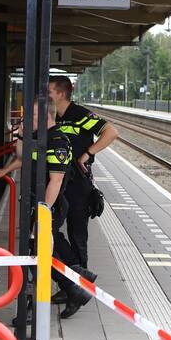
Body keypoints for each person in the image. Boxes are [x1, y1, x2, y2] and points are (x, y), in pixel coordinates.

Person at [0, 99, 92, 319]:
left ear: (46, 116)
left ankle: (36, 305)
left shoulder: (57, 141)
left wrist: (43, 215)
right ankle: (77, 284)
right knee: (47, 249)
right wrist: (20, 138)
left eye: (33, 115)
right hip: (36, 203)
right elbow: (23, 158)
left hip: (49, 205)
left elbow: (56, 181)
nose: (28, 119)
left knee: (37, 253)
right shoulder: (40, 137)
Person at [48, 75, 118, 302]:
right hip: (58, 182)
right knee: (52, 232)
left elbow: (111, 132)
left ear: (61, 93)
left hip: (78, 183)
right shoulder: (52, 116)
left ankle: (80, 288)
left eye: (49, 91)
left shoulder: (79, 115)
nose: (46, 95)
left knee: (77, 235)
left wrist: (88, 153)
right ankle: (72, 283)